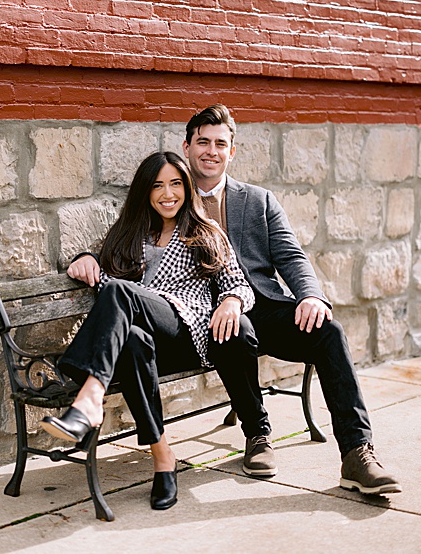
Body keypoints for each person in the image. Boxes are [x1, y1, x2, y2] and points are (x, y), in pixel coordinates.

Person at [180, 104, 400, 494]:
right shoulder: (171, 197)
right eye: (203, 142)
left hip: (263, 306)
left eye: (220, 143)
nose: (211, 151)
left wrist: (311, 296)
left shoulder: (258, 200)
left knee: (328, 330)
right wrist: (90, 260)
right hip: (203, 313)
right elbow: (129, 240)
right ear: (187, 147)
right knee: (231, 329)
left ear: (232, 151)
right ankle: (258, 434)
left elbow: (290, 256)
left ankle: (357, 453)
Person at [42, 151, 257, 511]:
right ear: (145, 192)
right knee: (131, 341)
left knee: (121, 293)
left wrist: (232, 301)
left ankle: (89, 398)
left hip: (188, 331)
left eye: (175, 183)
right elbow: (107, 282)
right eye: (157, 185)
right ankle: (162, 457)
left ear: (187, 189)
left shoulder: (205, 231)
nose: (167, 193)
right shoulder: (130, 234)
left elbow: (238, 283)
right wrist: (87, 257)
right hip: (146, 337)